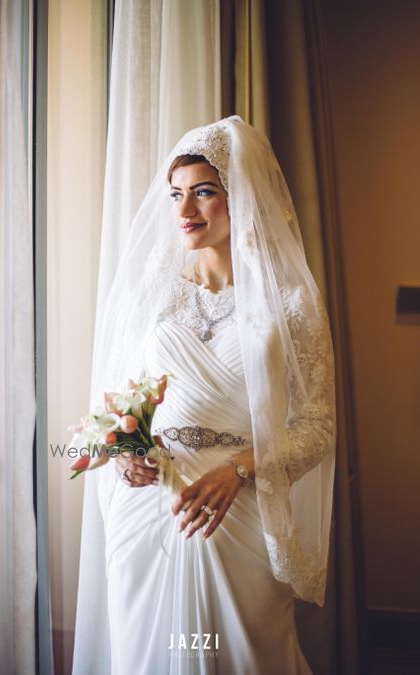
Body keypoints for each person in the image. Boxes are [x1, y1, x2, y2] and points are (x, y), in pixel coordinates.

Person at [71, 116, 336, 675]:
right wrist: (125, 458)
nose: (184, 210)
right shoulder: (153, 299)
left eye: (204, 192)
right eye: (176, 195)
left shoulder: (290, 305)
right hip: (150, 514)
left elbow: (317, 425)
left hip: (238, 513)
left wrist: (238, 470)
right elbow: (119, 408)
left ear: (242, 197)